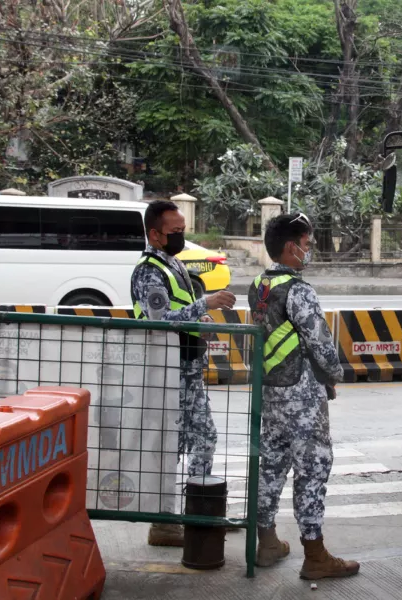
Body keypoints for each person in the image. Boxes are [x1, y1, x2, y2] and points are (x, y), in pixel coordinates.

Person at [247, 213, 359, 579]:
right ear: (291, 247)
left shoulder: (259, 286)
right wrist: (334, 375)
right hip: (302, 395)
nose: (309, 252)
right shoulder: (299, 290)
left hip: (271, 391)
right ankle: (315, 556)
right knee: (312, 469)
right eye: (307, 245)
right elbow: (321, 343)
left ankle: (266, 543)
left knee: (272, 465)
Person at [131, 200, 236, 547]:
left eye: (182, 230)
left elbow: (179, 311)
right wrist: (206, 305)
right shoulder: (148, 271)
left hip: (188, 370)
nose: (181, 236)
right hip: (165, 372)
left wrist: (201, 322)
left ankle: (199, 513)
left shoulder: (173, 264)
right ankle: (163, 523)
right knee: (168, 449)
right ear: (155, 235)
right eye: (175, 232)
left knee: (203, 439)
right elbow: (159, 319)